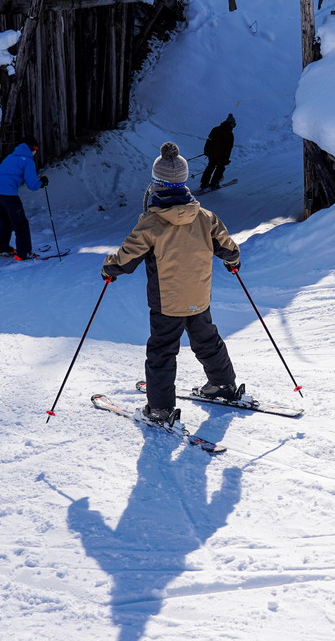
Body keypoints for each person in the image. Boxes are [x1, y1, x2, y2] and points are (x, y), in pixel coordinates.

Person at [102, 141, 240, 427]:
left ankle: (160, 409)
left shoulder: (151, 222)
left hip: (167, 301)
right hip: (199, 295)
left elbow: (127, 257)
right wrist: (232, 261)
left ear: (156, 183)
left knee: (162, 351)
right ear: (184, 180)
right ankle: (224, 385)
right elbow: (227, 247)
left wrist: (110, 267)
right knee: (206, 340)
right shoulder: (205, 217)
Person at [0, 142, 48, 261]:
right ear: (32, 149)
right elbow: (32, 185)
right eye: (36, 150)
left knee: (6, 220)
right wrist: (42, 182)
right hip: (7, 193)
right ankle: (24, 253)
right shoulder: (28, 161)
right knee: (21, 224)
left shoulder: (10, 157)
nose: (36, 152)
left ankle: (1, 247)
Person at [200, 113, 236, 191]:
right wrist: (226, 159)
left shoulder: (215, 129)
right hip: (221, 156)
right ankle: (214, 183)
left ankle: (204, 183)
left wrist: (206, 150)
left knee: (210, 167)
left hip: (211, 153)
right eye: (233, 125)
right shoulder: (230, 134)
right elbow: (228, 148)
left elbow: (209, 140)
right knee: (220, 168)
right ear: (231, 124)